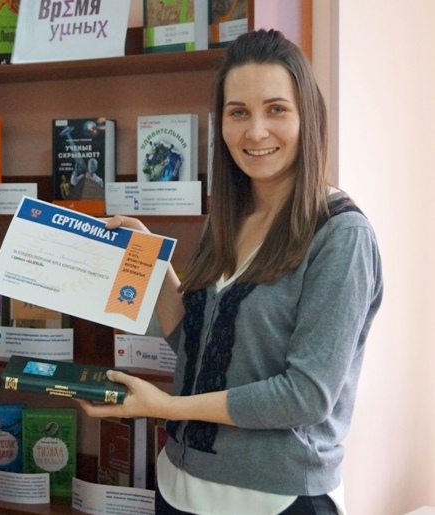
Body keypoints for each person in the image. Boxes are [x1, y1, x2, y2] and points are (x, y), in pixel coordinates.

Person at [78, 29, 383, 515]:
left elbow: (306, 396)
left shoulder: (340, 235)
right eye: (238, 112)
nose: (255, 132)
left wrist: (166, 407)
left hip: (276, 499)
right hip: (178, 487)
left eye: (276, 109)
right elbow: (195, 346)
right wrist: (150, 258)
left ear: (307, 116)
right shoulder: (226, 219)